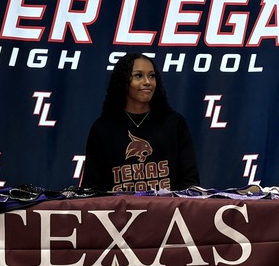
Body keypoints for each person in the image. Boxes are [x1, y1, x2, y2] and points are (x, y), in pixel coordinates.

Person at [81, 53, 200, 192]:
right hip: (119, 206)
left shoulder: (174, 123)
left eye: (152, 76)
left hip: (167, 206)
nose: (147, 82)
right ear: (123, 81)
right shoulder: (103, 128)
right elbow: (91, 187)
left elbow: (190, 181)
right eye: (138, 76)